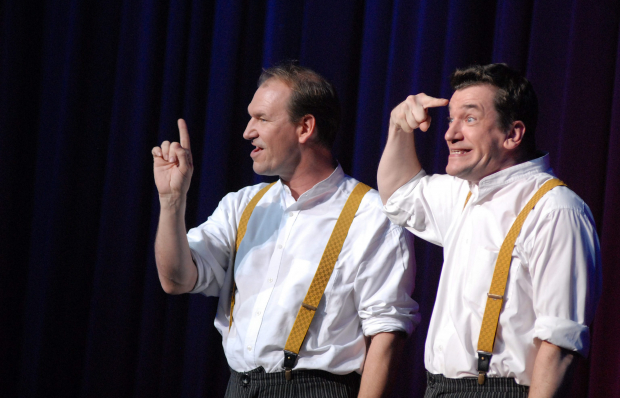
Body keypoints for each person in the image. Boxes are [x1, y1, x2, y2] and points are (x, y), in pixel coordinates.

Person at [152, 63, 420, 398]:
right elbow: (176, 279)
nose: (248, 131)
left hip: (317, 388)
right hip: (239, 387)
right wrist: (172, 200)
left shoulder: (371, 215)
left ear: (305, 127)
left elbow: (386, 334)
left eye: (262, 119)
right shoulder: (244, 205)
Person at [377, 63, 601, 398]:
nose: (450, 134)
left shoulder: (555, 210)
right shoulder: (463, 194)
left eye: (469, 119)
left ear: (513, 134)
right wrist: (399, 126)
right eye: (450, 119)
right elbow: (399, 195)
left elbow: (560, 344)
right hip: (438, 389)